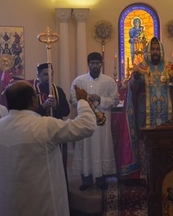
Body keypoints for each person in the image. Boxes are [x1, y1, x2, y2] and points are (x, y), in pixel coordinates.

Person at [0, 80, 96, 216]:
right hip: (43, 202)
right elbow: (86, 125)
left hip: (9, 202)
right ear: (34, 101)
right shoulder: (44, 125)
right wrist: (82, 101)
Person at [126, 37, 173, 176]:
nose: (155, 52)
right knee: (145, 142)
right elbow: (132, 88)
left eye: (157, 49)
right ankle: (146, 173)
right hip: (146, 115)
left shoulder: (169, 66)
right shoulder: (141, 67)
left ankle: (166, 172)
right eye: (152, 49)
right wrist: (135, 79)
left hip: (167, 113)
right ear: (148, 51)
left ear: (161, 51)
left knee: (166, 142)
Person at [70, 52, 119, 191]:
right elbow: (73, 100)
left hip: (101, 122)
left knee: (101, 148)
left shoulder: (108, 81)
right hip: (84, 121)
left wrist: (100, 99)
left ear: (101, 64)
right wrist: (83, 100)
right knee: (85, 147)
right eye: (92, 63)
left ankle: (101, 178)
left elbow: (115, 101)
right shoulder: (79, 81)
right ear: (88, 64)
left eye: (98, 63)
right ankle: (86, 179)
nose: (95, 65)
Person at [34, 63, 70, 188]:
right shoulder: (33, 91)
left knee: (59, 162)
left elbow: (66, 111)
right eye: (45, 74)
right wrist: (43, 106)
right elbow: (29, 114)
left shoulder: (58, 90)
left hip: (56, 131)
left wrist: (55, 106)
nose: (48, 77)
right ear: (38, 75)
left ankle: (61, 187)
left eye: (51, 74)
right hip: (39, 132)